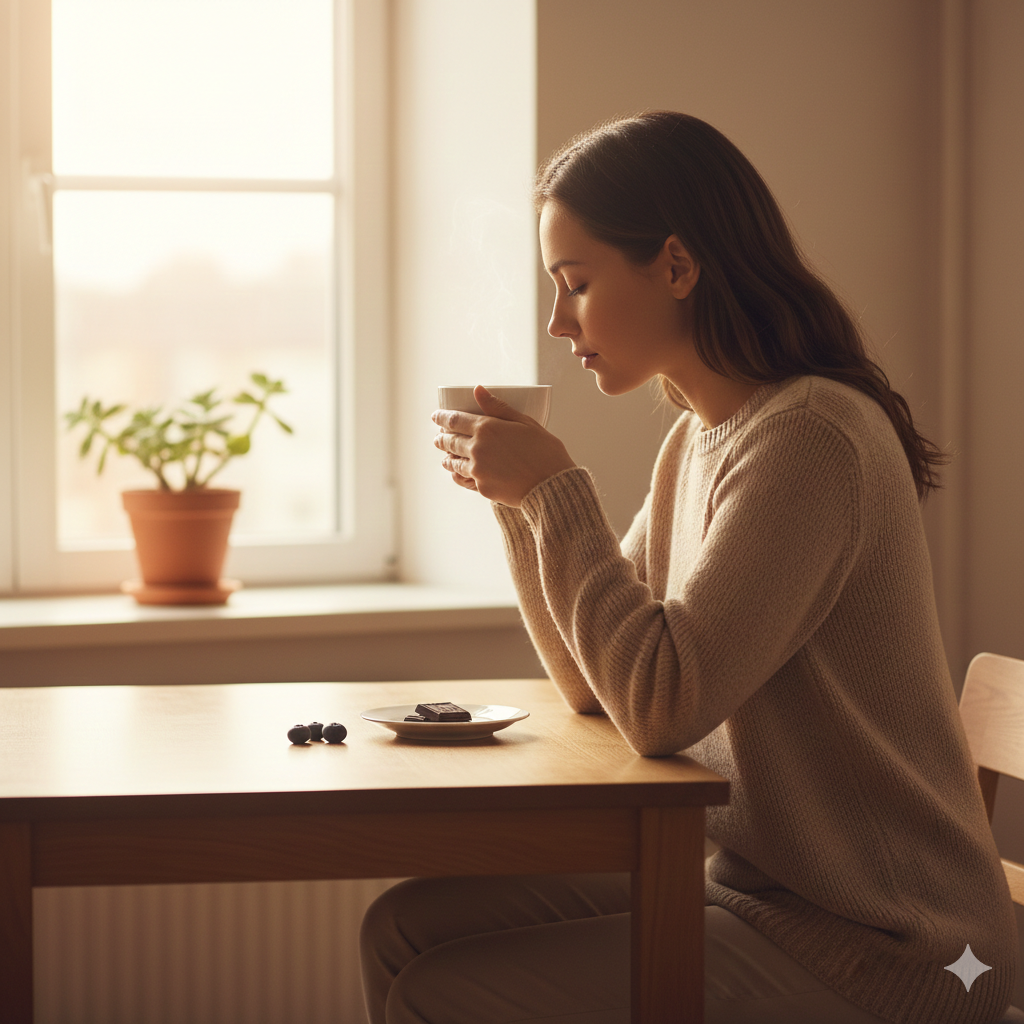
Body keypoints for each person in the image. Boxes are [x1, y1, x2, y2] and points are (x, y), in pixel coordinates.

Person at [360, 112, 1018, 1024]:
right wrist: (521, 506)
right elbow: (597, 685)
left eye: (576, 283)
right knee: (402, 926)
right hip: (758, 890)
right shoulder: (697, 441)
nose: (558, 321)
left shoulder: (809, 439)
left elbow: (660, 706)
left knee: (443, 990)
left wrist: (557, 493)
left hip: (895, 944)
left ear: (676, 266)